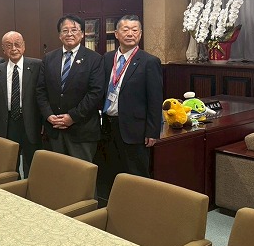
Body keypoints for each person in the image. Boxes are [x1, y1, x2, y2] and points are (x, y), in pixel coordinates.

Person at [36, 15, 104, 163]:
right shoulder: (49, 58)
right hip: (54, 129)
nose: (69, 34)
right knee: (56, 172)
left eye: (74, 30)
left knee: (81, 174)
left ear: (82, 34)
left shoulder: (95, 59)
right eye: (65, 30)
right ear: (59, 35)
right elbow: (41, 90)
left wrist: (72, 117)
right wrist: (48, 115)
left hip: (82, 131)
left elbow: (95, 93)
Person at [102, 14, 163, 178]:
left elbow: (155, 100)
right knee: (111, 174)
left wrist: (152, 132)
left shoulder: (149, 62)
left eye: (135, 30)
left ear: (140, 34)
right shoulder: (107, 58)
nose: (130, 34)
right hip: (108, 127)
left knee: (136, 176)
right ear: (116, 34)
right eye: (126, 29)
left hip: (134, 130)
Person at [0, 31, 42, 177]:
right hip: (7, 123)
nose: (13, 49)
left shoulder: (37, 66)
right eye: (9, 45)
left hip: (30, 122)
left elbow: (42, 96)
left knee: (32, 163)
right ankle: (13, 188)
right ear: (3, 49)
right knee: (10, 164)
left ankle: (31, 189)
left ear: (23, 46)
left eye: (17, 44)